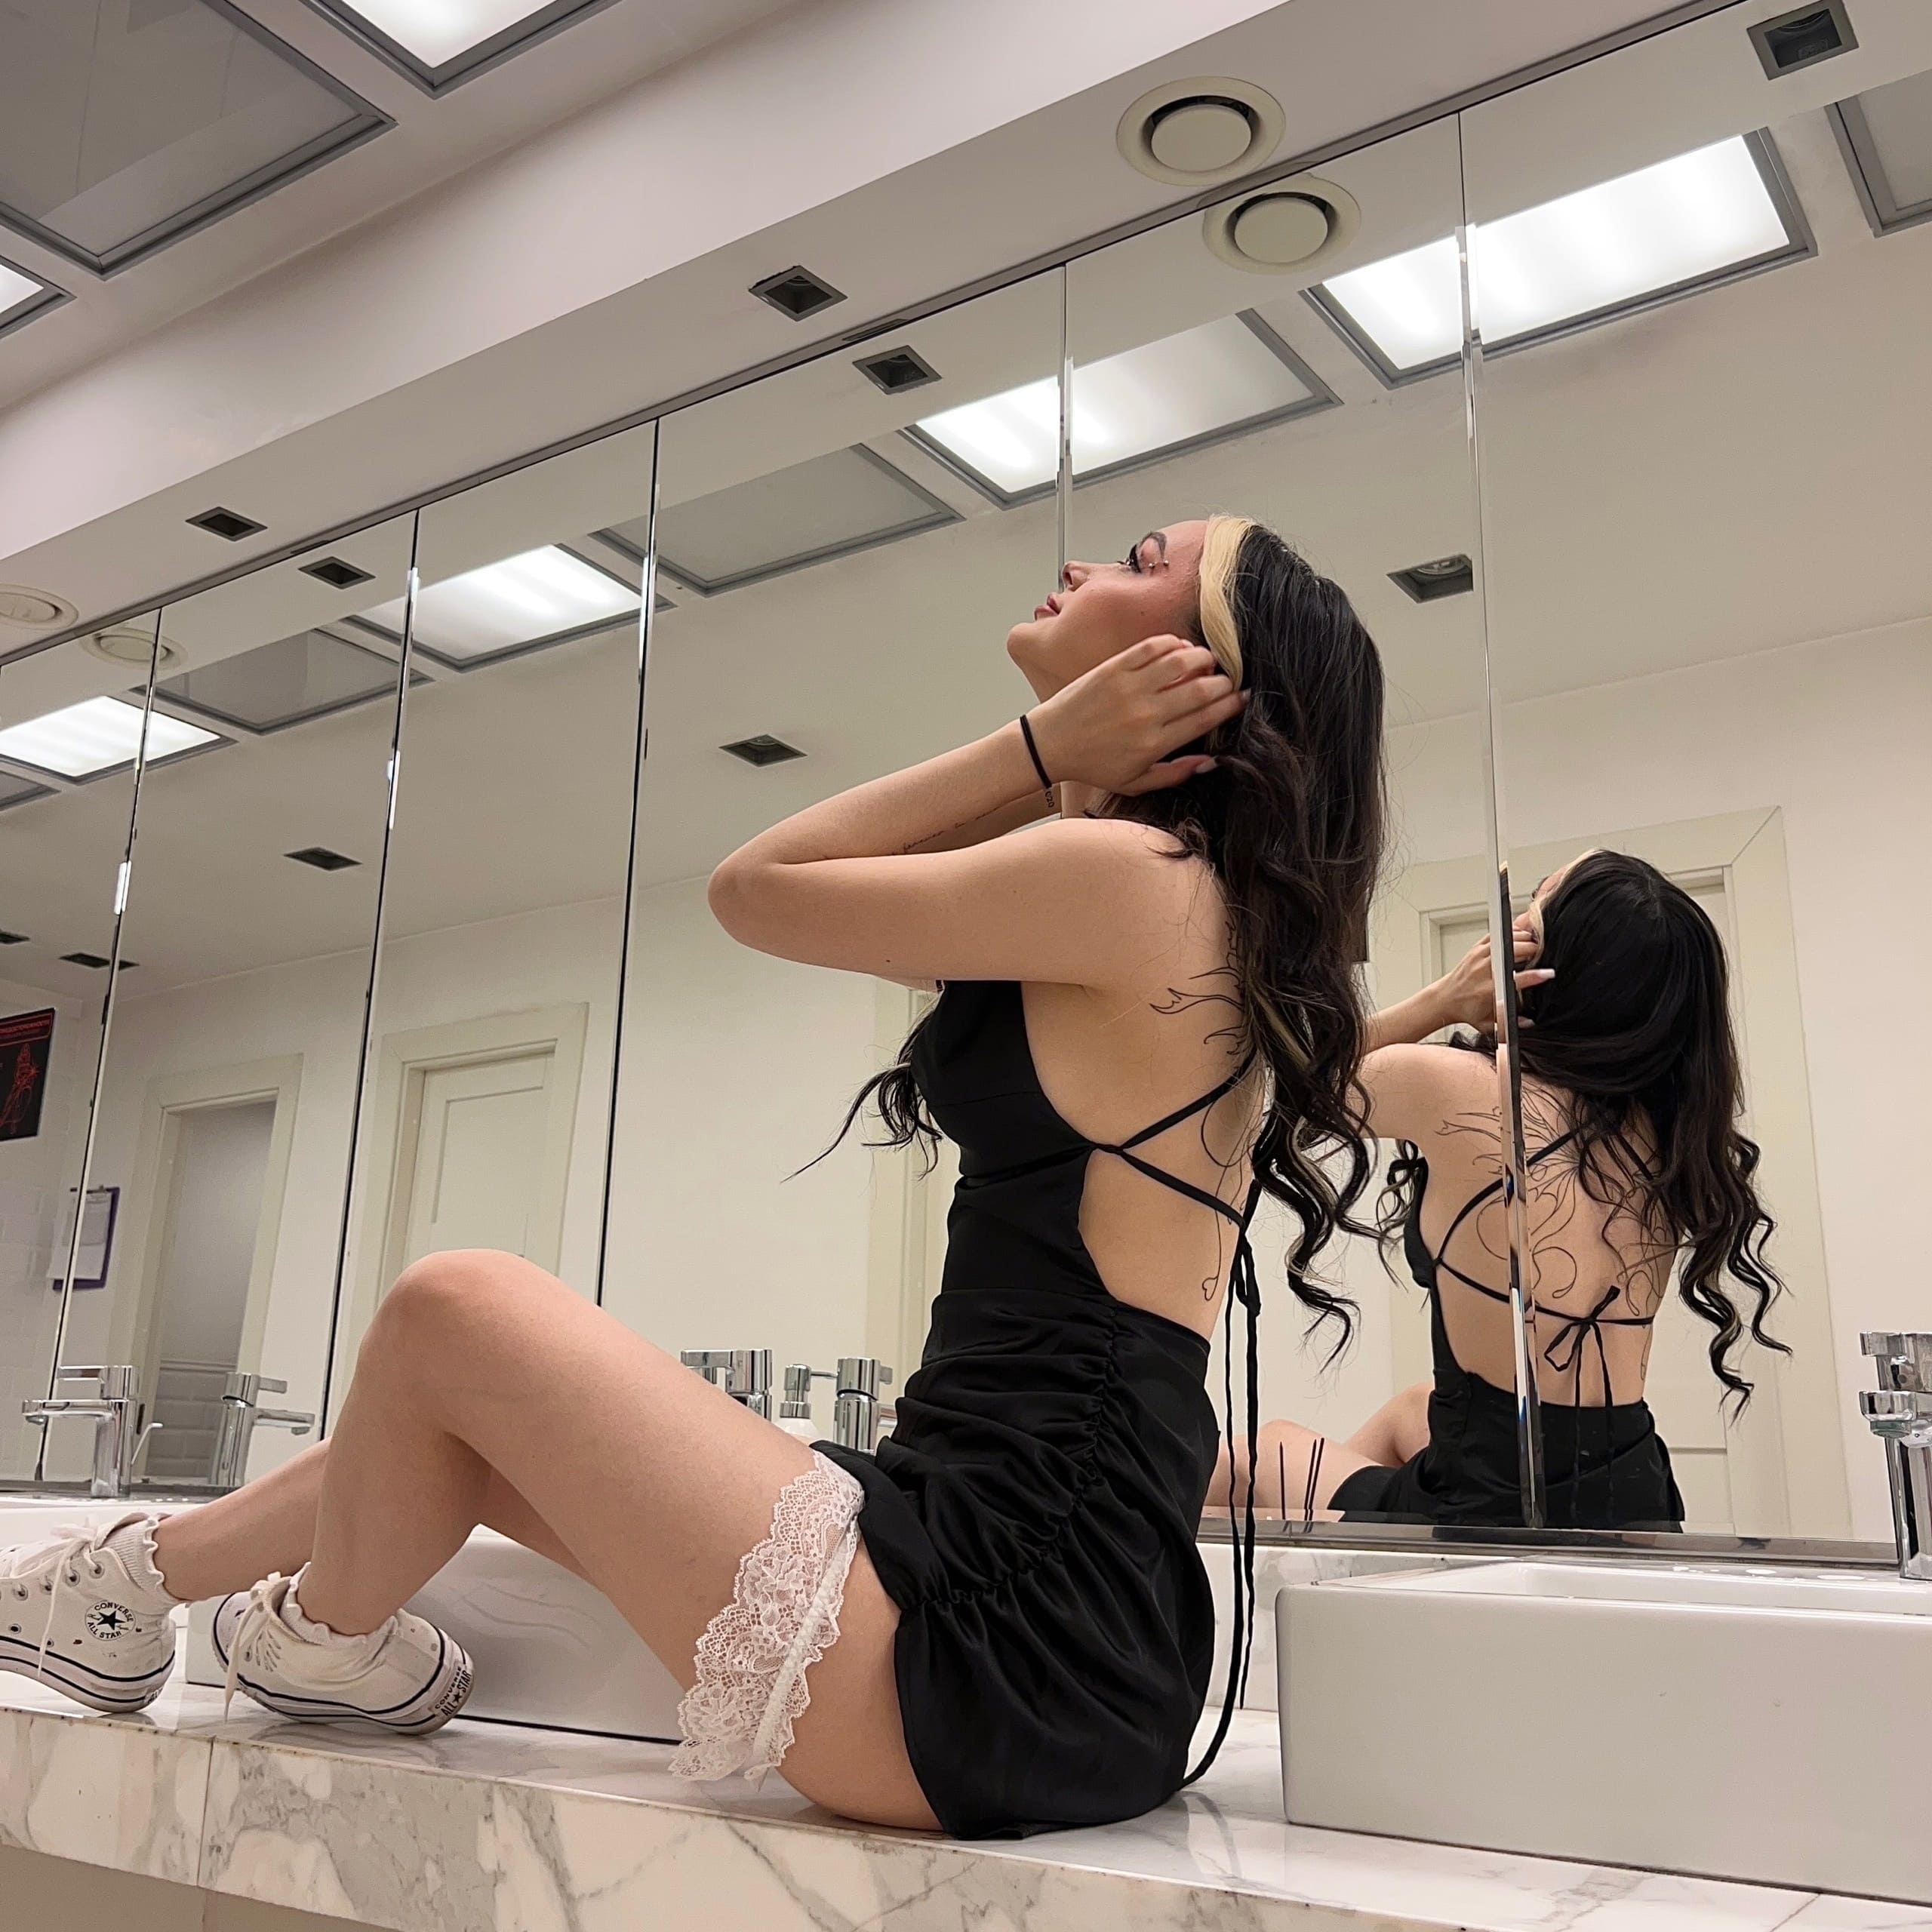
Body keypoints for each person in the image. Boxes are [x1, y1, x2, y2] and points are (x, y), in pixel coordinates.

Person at [0, 515, 1386, 1840]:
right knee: (452, 1412)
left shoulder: (1134, 879)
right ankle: (196, 1611)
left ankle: (266, 1626)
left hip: (996, 1635)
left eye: (1139, 562)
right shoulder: (1167, 896)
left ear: (1199, 672)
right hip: (1033, 1603)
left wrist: (1038, 749)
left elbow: (756, 887)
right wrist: (1064, 759)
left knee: (452, 1309)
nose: (1079, 565)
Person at [1219, 849, 1786, 1530]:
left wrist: (1442, 1000)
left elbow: (1281, 1082)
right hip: (1635, 1487)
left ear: (1542, 965)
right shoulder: (1671, 1130)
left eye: (1529, 916)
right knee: (1410, 1410)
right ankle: (1362, 1560)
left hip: (1490, 1499)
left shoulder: (1465, 1091)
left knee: (1258, 1453)